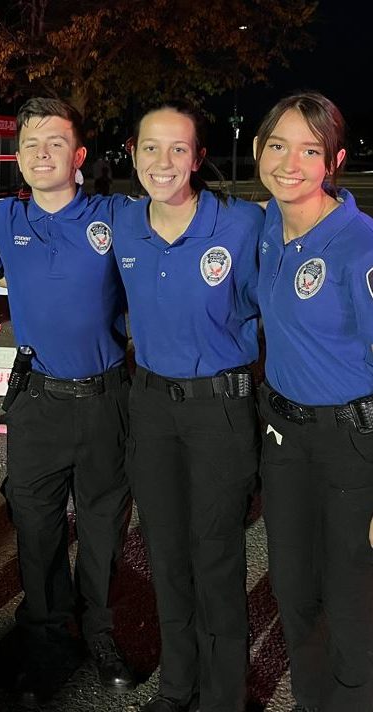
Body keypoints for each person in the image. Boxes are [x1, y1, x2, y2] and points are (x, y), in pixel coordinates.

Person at [112, 102, 263, 712]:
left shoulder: (241, 226)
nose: (163, 162)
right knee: (166, 555)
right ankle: (179, 687)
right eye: (151, 147)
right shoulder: (121, 225)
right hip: (150, 407)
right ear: (133, 153)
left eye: (178, 148)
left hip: (220, 412)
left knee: (216, 555)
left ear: (199, 157)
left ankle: (225, 697)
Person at [0, 97, 134, 705]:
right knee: (38, 527)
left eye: (55, 143)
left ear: (79, 156)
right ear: (18, 159)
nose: (41, 153)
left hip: (106, 399)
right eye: (30, 144)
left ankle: (98, 630)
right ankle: (46, 638)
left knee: (102, 524)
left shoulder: (117, 215)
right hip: (38, 401)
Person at [254, 92, 373, 712]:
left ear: (335, 161)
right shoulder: (268, 227)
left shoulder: (361, 245)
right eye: (278, 144)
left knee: (351, 597)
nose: (290, 162)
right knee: (294, 587)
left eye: (310, 149)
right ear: (259, 149)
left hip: (351, 444)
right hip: (283, 436)